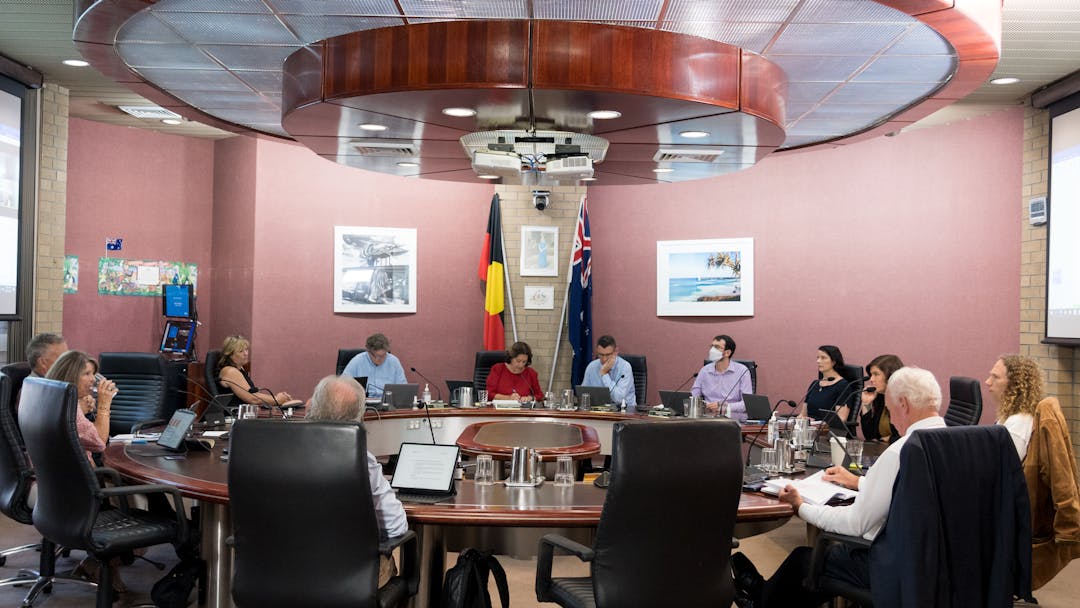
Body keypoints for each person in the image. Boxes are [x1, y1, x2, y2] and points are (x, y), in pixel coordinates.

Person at [732, 367, 946, 607]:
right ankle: (759, 590)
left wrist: (801, 507)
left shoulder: (901, 451)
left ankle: (760, 599)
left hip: (891, 566)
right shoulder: (951, 442)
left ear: (904, 404)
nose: (891, 416)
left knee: (806, 560)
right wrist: (859, 481)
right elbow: (910, 490)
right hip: (935, 564)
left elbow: (856, 524)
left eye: (889, 407)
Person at [986, 354, 1080, 589]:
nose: (987, 382)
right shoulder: (1014, 417)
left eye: (994, 377)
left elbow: (996, 473)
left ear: (1014, 385)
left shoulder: (1017, 425)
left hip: (1006, 507)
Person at [306, 375, 408, 586]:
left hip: (277, 569)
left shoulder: (278, 450)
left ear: (311, 405)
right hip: (346, 574)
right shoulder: (360, 460)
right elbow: (397, 526)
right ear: (359, 418)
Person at [837, 353, 902, 443]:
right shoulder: (881, 398)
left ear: (890, 376)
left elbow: (910, 434)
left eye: (876, 374)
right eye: (871, 375)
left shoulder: (904, 401)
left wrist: (890, 439)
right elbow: (869, 435)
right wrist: (866, 404)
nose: (871, 379)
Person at [217, 335, 295, 409]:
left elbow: (255, 394)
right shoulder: (230, 371)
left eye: (246, 350)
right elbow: (253, 398)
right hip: (233, 418)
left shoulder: (240, 368)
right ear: (230, 354)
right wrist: (277, 399)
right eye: (241, 351)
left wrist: (278, 398)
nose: (246, 354)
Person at [691, 334, 752, 421]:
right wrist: (704, 405)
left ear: (727, 353)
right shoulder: (704, 371)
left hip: (732, 419)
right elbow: (694, 396)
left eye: (716, 347)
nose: (712, 350)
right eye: (712, 346)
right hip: (707, 418)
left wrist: (724, 406)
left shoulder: (742, 371)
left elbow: (747, 404)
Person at [342, 333, 407, 399]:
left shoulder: (394, 362)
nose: (378, 359)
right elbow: (343, 385)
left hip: (388, 402)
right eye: (375, 356)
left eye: (382, 356)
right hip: (364, 403)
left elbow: (403, 389)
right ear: (368, 351)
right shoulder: (357, 361)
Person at [580, 335, 636, 409]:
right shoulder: (592, 367)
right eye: (601, 355)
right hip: (597, 411)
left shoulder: (625, 367)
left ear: (616, 352)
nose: (604, 359)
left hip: (624, 412)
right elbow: (583, 395)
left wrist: (604, 374)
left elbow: (618, 399)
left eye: (608, 355)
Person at [799, 345, 850, 421]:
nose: (818, 361)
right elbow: (803, 415)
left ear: (833, 362)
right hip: (809, 430)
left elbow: (841, 420)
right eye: (818, 358)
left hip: (826, 431)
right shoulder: (815, 384)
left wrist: (815, 423)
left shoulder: (843, 386)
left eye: (823, 358)